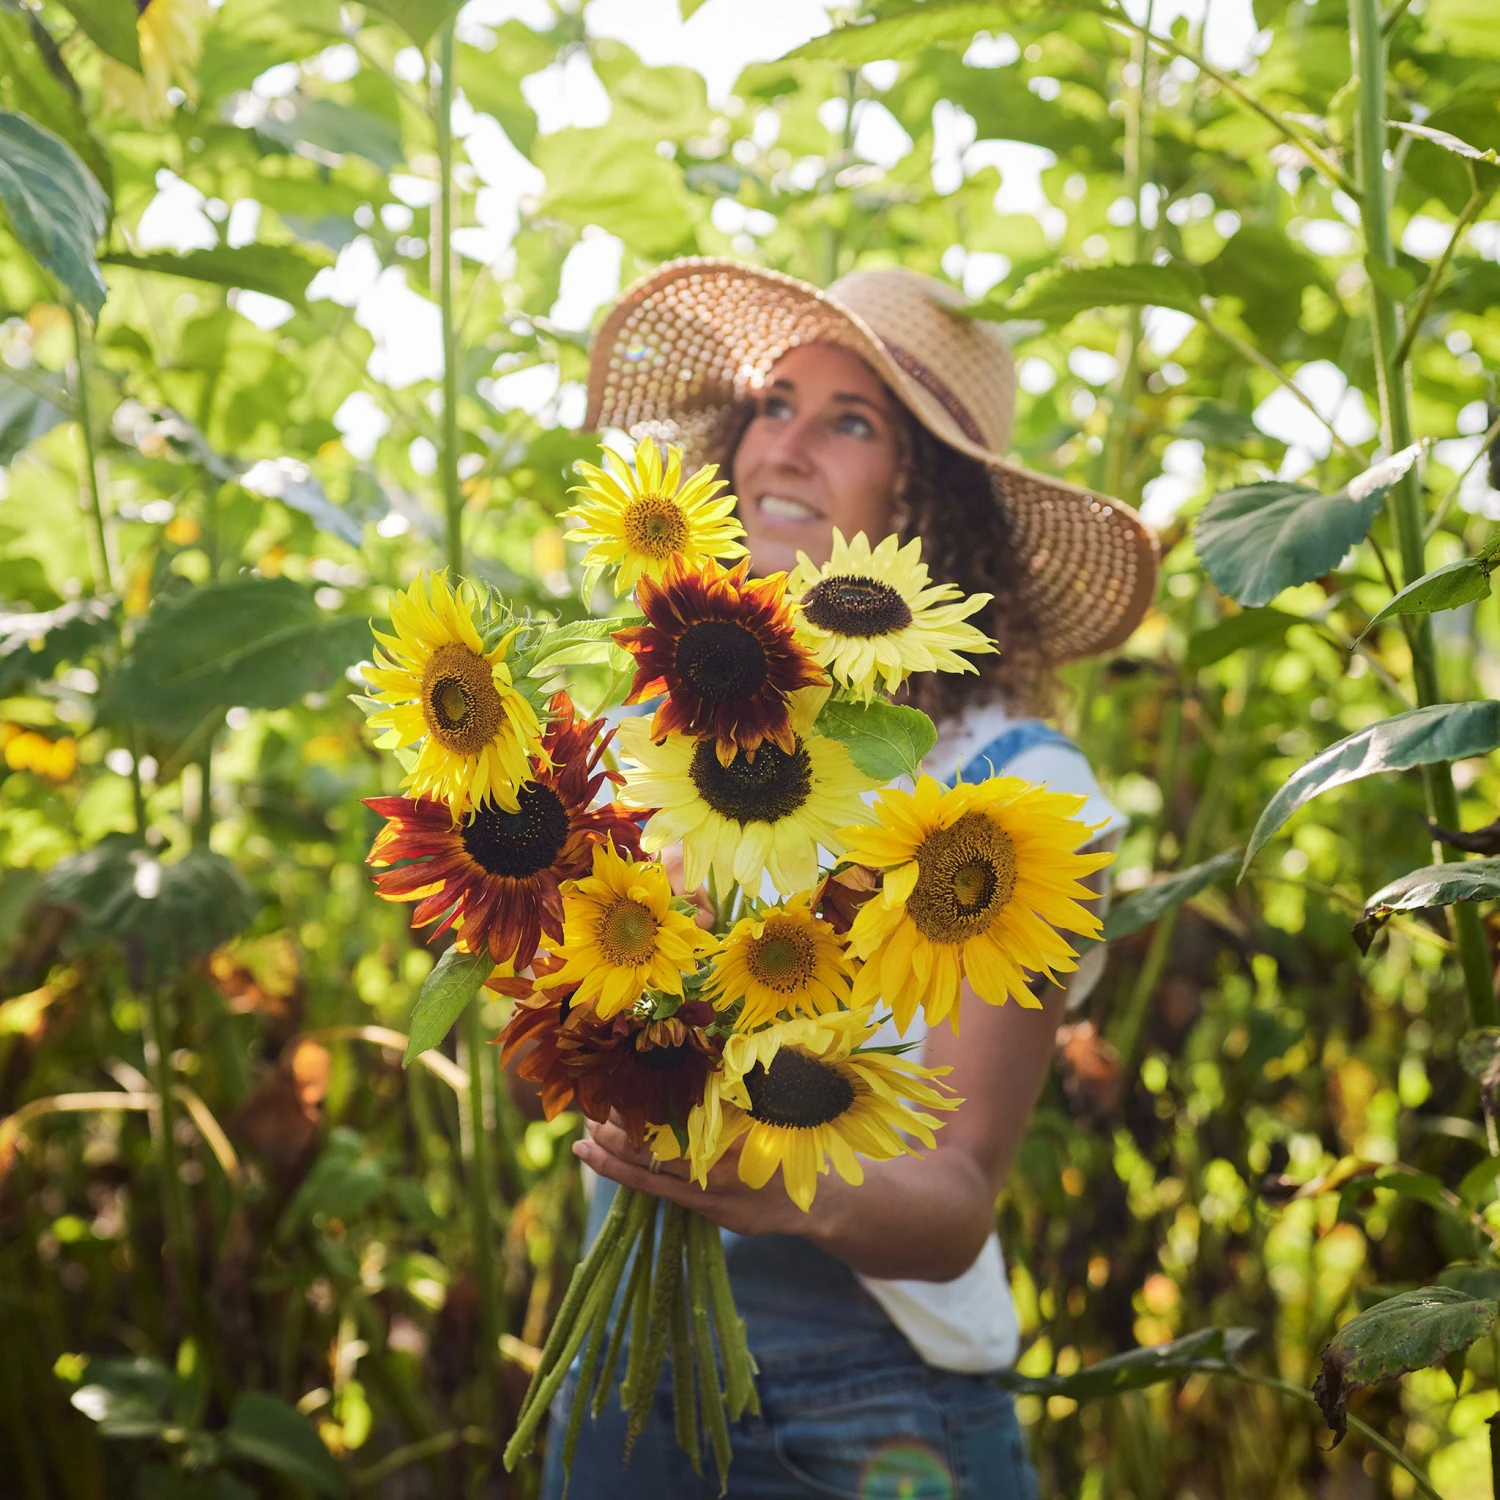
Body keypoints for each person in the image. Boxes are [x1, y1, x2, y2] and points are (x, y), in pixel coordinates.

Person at [539, 260, 1158, 1499]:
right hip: (613, 1374)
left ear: (936, 510)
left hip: (864, 1403)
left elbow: (957, 1200)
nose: (789, 446)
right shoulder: (666, 731)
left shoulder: (1016, 800)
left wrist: (762, 1168)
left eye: (853, 420)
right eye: (772, 403)